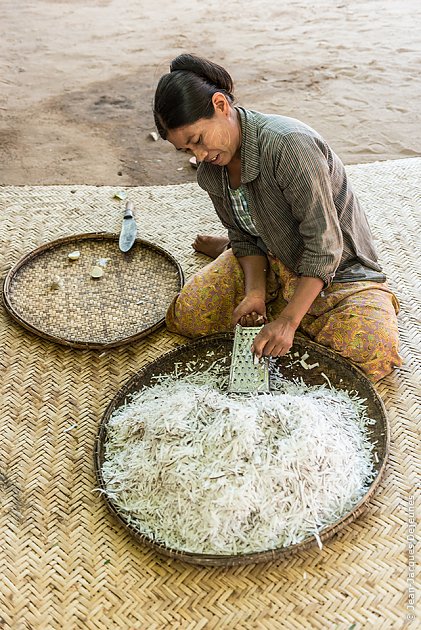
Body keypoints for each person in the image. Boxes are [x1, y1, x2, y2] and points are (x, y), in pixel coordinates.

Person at [153, 53, 402, 382]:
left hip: (337, 265)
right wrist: (254, 293)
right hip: (271, 252)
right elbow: (244, 234)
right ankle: (252, 271)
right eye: (187, 150)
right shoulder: (212, 170)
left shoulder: (289, 145)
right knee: (188, 315)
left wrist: (288, 321)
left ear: (221, 105)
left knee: (371, 354)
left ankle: (317, 303)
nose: (199, 156)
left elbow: (325, 246)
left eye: (198, 140)